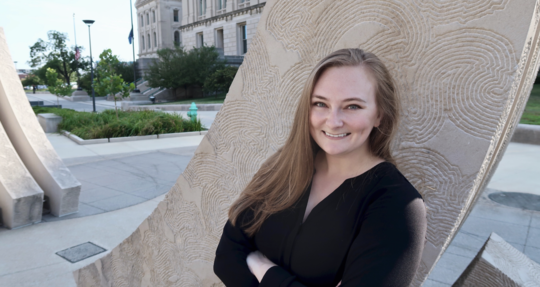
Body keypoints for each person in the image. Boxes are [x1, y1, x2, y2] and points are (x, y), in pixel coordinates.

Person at [214, 49, 427, 287]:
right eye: (320, 104)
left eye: (353, 106)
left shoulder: (398, 204)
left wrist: (264, 270)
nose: (333, 121)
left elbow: (240, 260)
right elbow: (226, 256)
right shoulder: (282, 167)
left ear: (380, 115)